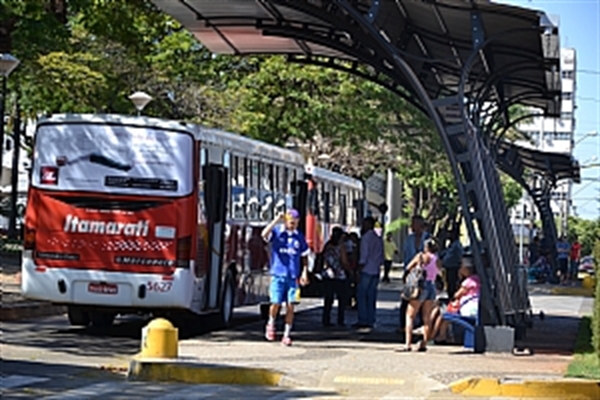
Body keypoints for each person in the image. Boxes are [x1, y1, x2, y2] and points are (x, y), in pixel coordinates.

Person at [261, 209, 310, 346]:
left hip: (293, 276)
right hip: (278, 274)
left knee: (291, 306)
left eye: (295, 222)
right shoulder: (277, 232)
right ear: (286, 221)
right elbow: (264, 234)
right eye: (290, 222)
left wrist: (305, 271)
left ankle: (286, 334)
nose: (292, 224)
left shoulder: (299, 237)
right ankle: (271, 323)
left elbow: (304, 255)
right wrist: (276, 220)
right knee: (275, 303)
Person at [397, 238, 440, 352]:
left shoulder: (421, 256)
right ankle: (424, 343)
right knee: (427, 317)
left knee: (410, 315)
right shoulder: (437, 259)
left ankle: (408, 343)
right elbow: (439, 271)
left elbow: (408, 267)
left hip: (420, 287)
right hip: (431, 286)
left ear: (425, 247)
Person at [431, 255, 480, 344]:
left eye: (461, 267)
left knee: (443, 313)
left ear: (466, 269)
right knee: (443, 311)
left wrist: (460, 278)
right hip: (476, 307)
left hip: (468, 309)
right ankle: (439, 335)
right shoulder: (478, 279)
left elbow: (457, 295)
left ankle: (437, 336)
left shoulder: (468, 282)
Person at [398, 215, 430, 331]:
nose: (412, 226)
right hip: (412, 273)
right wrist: (406, 272)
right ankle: (403, 325)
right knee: (407, 298)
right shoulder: (409, 239)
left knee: (424, 300)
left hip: (425, 274)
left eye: (414, 224)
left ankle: (422, 325)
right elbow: (406, 256)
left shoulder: (428, 239)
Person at [354, 216, 384, 331]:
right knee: (371, 296)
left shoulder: (365, 238)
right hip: (375, 270)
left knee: (361, 295)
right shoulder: (378, 238)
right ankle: (371, 319)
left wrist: (359, 269)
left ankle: (363, 319)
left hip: (366, 270)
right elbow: (381, 256)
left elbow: (364, 256)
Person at [322, 227, 350, 327]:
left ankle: (326, 319)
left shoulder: (327, 245)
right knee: (341, 299)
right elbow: (344, 261)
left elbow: (323, 258)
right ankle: (340, 320)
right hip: (339, 275)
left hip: (328, 274)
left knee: (328, 299)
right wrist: (349, 270)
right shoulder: (341, 247)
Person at [441, 229, 463, 298]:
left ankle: (453, 297)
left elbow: (460, 255)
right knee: (449, 282)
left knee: (453, 283)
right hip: (449, 267)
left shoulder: (457, 245)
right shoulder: (451, 245)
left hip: (454, 267)